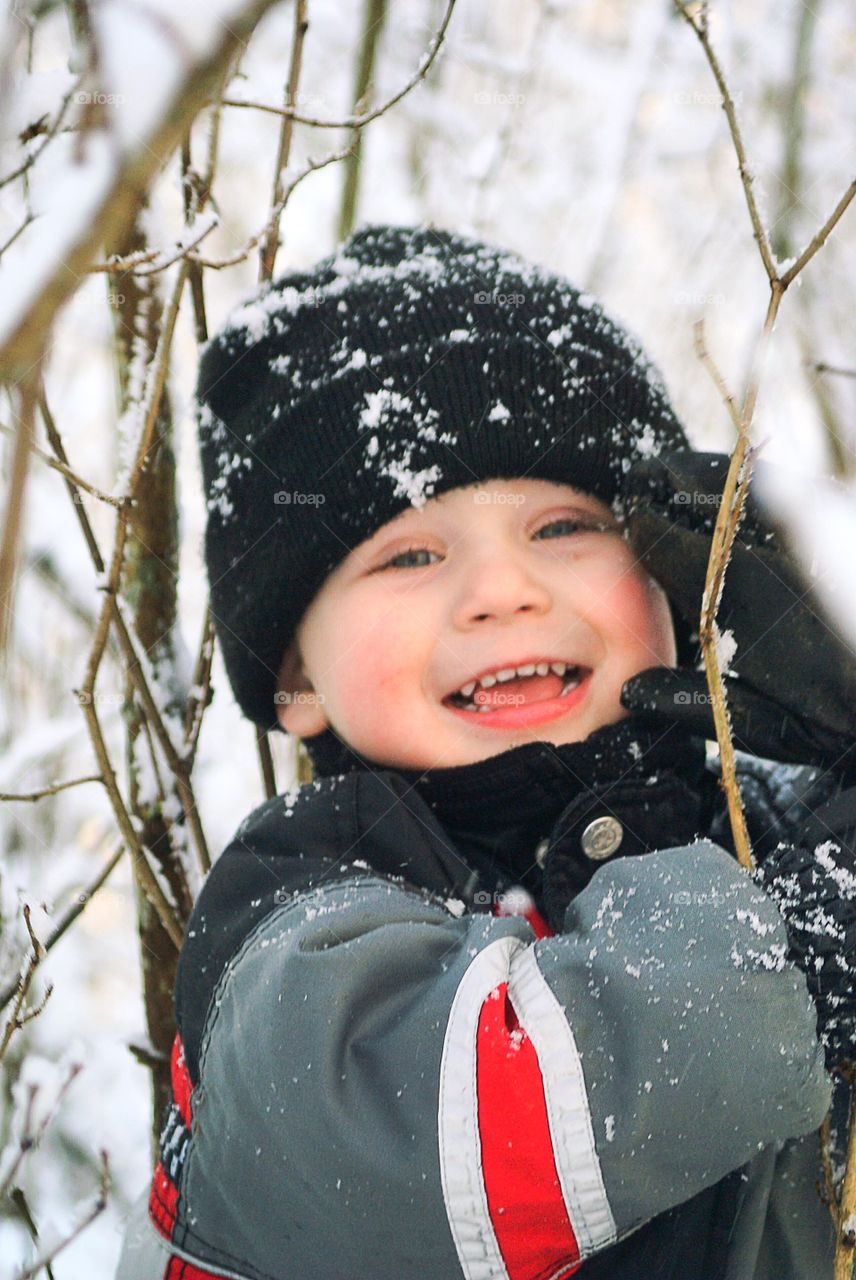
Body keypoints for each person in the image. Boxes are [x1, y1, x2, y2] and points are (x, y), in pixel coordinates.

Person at [115, 223, 856, 1280]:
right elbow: (450, 1137)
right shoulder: (296, 907)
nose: (504, 589)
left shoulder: (774, 822)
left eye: (562, 526)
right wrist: (800, 947)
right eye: (410, 553)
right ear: (296, 681)